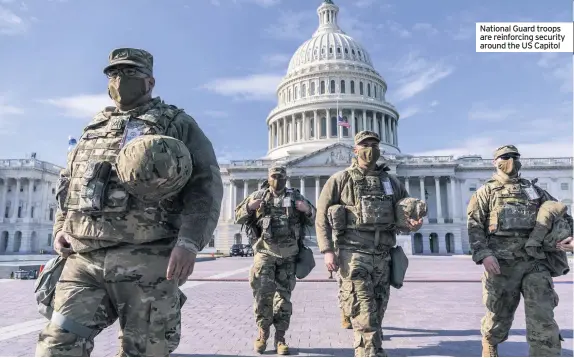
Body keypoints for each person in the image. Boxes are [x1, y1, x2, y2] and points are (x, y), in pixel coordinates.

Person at [35, 48, 223, 357]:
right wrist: (60, 228)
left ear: (150, 81)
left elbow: (205, 185)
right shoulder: (93, 127)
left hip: (148, 258)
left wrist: (189, 242)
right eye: (113, 74)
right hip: (84, 258)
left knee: (145, 350)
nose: (120, 80)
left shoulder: (176, 123)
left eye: (130, 73)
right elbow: (69, 181)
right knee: (56, 346)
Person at [315, 130, 421, 357]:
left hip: (383, 255)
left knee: (378, 311)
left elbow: (402, 214)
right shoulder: (340, 180)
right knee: (366, 316)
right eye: (365, 144)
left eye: (374, 144)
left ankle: (371, 348)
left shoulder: (390, 182)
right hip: (354, 254)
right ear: (355, 149)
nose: (370, 149)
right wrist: (327, 251)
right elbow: (321, 217)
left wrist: (412, 223)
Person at [467, 144, 573, 357]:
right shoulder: (485, 191)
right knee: (498, 316)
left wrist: (570, 235)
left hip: (535, 262)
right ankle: (490, 343)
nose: (511, 160)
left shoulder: (533, 190)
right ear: (494, 162)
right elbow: (474, 225)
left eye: (515, 156)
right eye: (505, 156)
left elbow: (560, 212)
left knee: (543, 316)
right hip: (502, 264)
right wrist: (484, 254)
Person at [234, 165, 316, 355]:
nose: (277, 179)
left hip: (289, 254)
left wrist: (307, 210)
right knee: (262, 295)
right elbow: (238, 216)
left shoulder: (295, 197)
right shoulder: (259, 195)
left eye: (280, 176)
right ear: (268, 177)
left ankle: (280, 337)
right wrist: (249, 207)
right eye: (273, 176)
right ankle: (263, 334)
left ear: (286, 178)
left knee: (284, 298)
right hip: (265, 252)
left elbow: (314, 218)